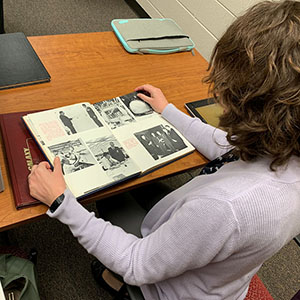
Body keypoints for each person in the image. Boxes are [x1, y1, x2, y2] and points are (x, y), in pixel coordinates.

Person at [28, 1, 300, 299]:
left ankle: (117, 284)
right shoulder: (285, 149)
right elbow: (228, 148)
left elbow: (135, 262)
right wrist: (167, 111)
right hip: (221, 275)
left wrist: (61, 203)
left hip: (172, 289)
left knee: (108, 197)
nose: (218, 91)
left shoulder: (224, 207)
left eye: (225, 86)